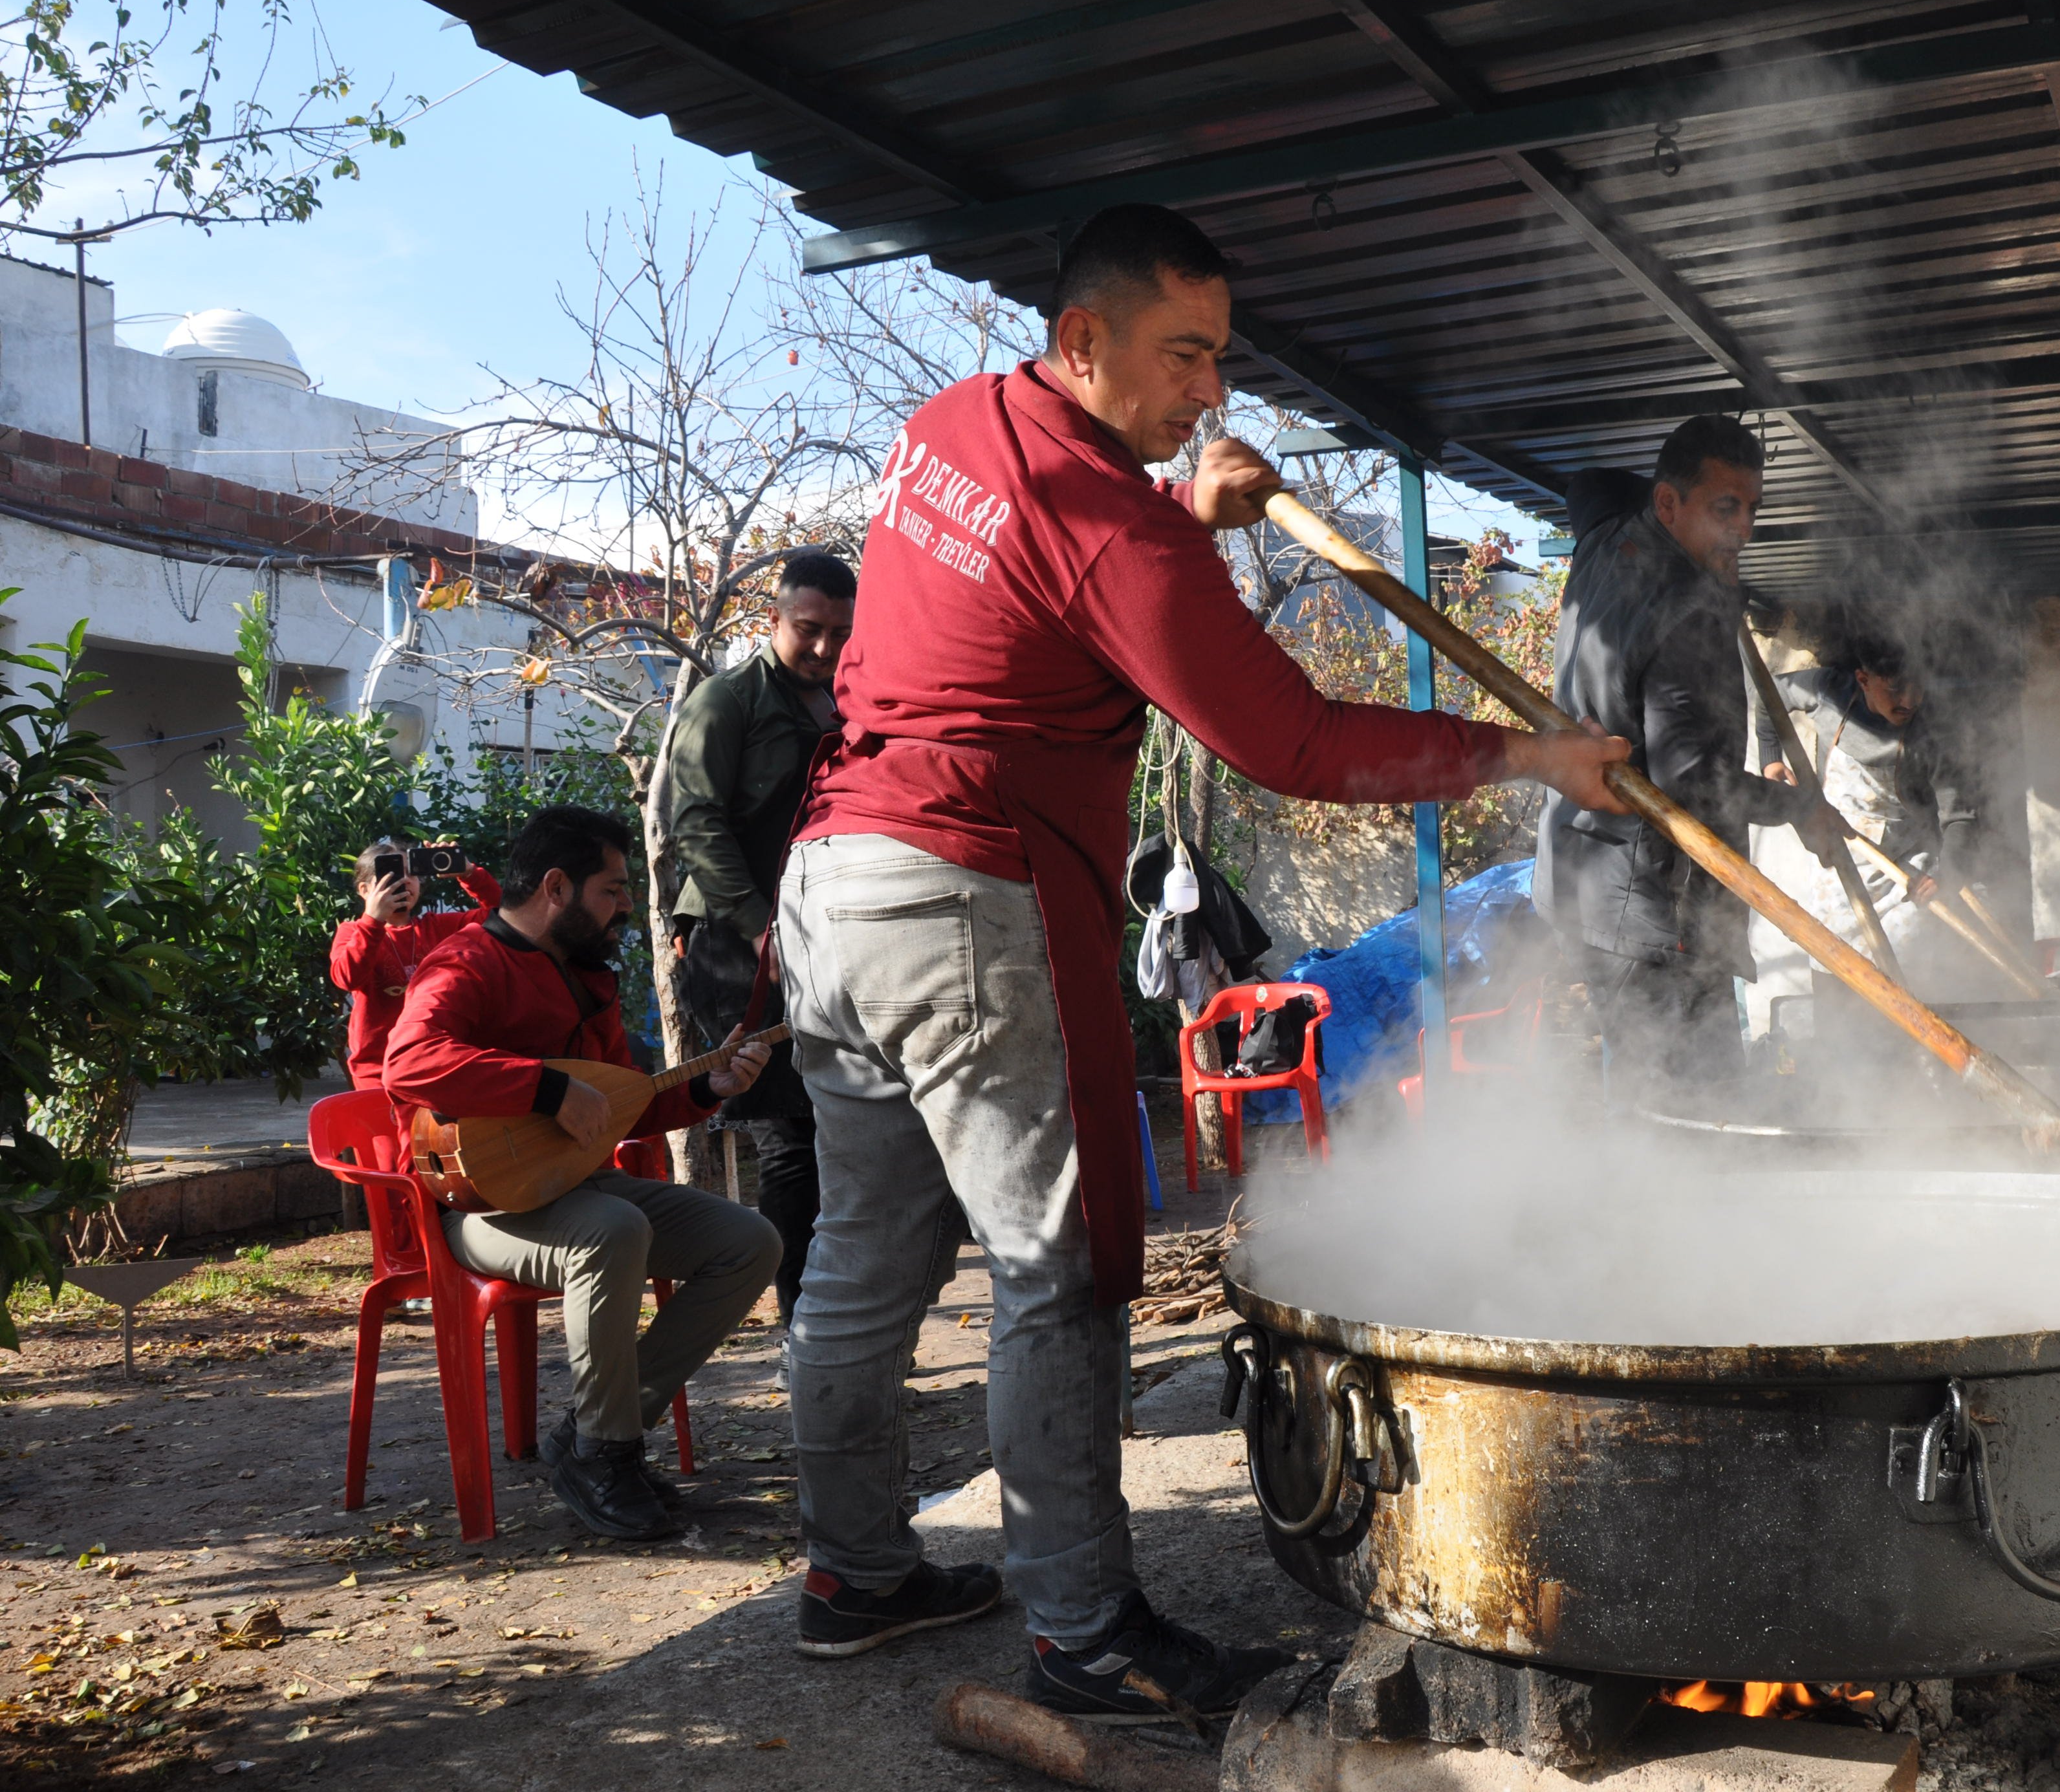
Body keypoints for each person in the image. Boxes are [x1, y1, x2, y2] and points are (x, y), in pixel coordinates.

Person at [774, 202, 1630, 1706]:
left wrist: (1188, 516)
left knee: (862, 1248)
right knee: (1060, 1268)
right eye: (1184, 356)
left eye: (1219, 359)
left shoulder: (953, 420)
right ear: (1082, 337)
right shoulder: (1118, 528)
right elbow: (1287, 736)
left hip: (836, 882)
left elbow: (1065, 579)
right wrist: (1528, 752)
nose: (1211, 392)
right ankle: (1088, 1633)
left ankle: (853, 1572)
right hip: (972, 891)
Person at [382, 806, 785, 1544]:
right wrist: (545, 1089)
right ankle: (607, 1455)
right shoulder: (467, 962)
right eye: (614, 888)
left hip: (572, 1189)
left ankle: (591, 1434)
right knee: (613, 1229)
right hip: (476, 1209)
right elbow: (406, 1061)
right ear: (557, 886)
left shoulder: (587, 980)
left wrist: (708, 1089)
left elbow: (618, 1108)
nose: (628, 903)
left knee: (750, 1241)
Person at [1535, 414, 1825, 1095]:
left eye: (1752, 508)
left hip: (1583, 880)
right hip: (1653, 901)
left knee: (1640, 1091)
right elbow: (1690, 781)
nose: (1744, 529)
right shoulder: (1687, 606)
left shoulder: (1606, 537)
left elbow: (1590, 486)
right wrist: (1799, 808)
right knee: (1691, 1105)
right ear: (1667, 503)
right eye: (1725, 508)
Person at [659, 548, 854, 1332]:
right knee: (792, 1133)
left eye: (842, 632)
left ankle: (846, 1311)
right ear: (770, 619)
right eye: (809, 629)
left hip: (826, 935)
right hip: (735, 942)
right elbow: (695, 824)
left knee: (847, 1126)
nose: (826, 648)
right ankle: (807, 1325)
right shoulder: (724, 701)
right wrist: (759, 924)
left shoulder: (853, 699)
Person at [1750, 627, 1988, 1008]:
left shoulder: (1934, 739)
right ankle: (1842, 1048)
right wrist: (1771, 759)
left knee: (1906, 968)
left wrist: (1947, 874)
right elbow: (1768, 694)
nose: (1910, 701)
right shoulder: (1826, 693)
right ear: (1863, 680)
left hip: (1905, 868)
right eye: (1895, 688)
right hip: (1840, 858)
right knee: (1830, 956)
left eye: (1918, 687)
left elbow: (1959, 818)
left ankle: (1913, 1051)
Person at [329, 839, 503, 1090]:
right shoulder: (353, 932)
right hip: (377, 1071)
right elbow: (347, 978)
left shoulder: (439, 928)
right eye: (391, 875)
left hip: (437, 1065)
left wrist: (469, 873)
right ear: (365, 890)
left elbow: (501, 915)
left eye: (411, 874)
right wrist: (373, 921)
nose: (404, 881)